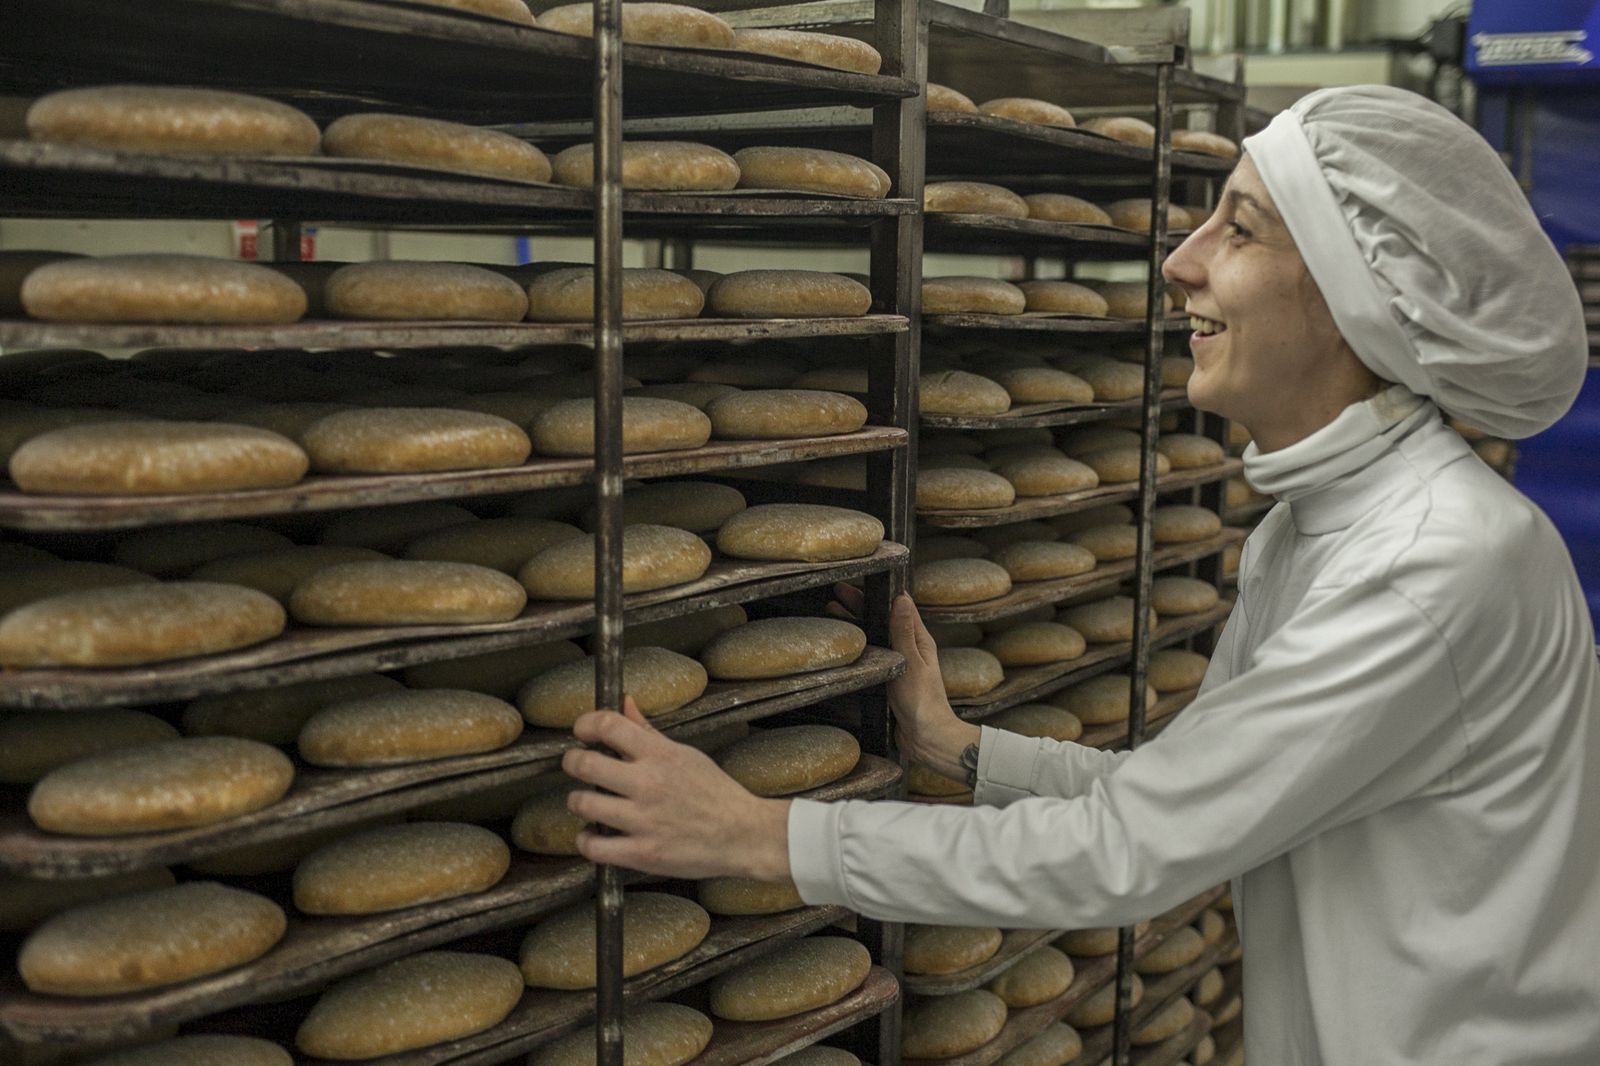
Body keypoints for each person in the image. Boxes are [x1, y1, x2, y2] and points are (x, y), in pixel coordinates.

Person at [560, 86, 1600, 1063]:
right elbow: (1180, 798)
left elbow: (1132, 848)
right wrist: (959, 749)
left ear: (1352, 296)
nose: (1179, 262)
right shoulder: (1317, 531)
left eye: (1237, 229)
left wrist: (755, 833)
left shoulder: (1429, 564)